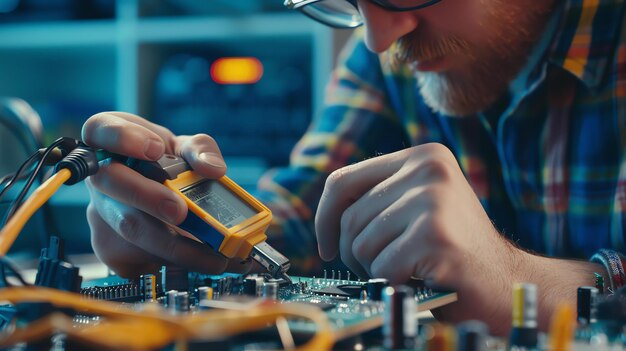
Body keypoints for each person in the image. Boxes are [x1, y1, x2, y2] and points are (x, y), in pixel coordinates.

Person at [81, 0, 626, 336]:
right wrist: (173, 219)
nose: (377, 36)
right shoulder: (386, 47)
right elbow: (299, 223)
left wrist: (529, 284)